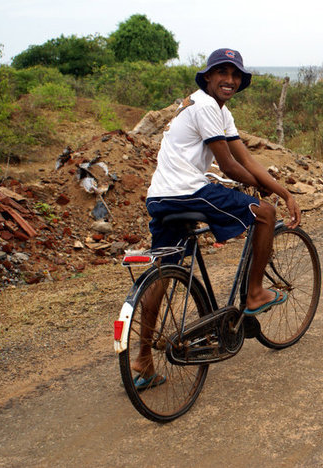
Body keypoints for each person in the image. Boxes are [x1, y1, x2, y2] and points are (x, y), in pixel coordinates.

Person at [131, 48, 301, 390]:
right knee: (264, 215)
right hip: (189, 191)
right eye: (222, 73)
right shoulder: (206, 106)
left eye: (235, 75)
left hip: (161, 198)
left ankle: (143, 360)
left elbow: (247, 158)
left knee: (163, 272)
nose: (230, 80)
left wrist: (281, 190)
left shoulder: (213, 110)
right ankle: (254, 293)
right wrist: (266, 194)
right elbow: (228, 166)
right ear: (207, 77)